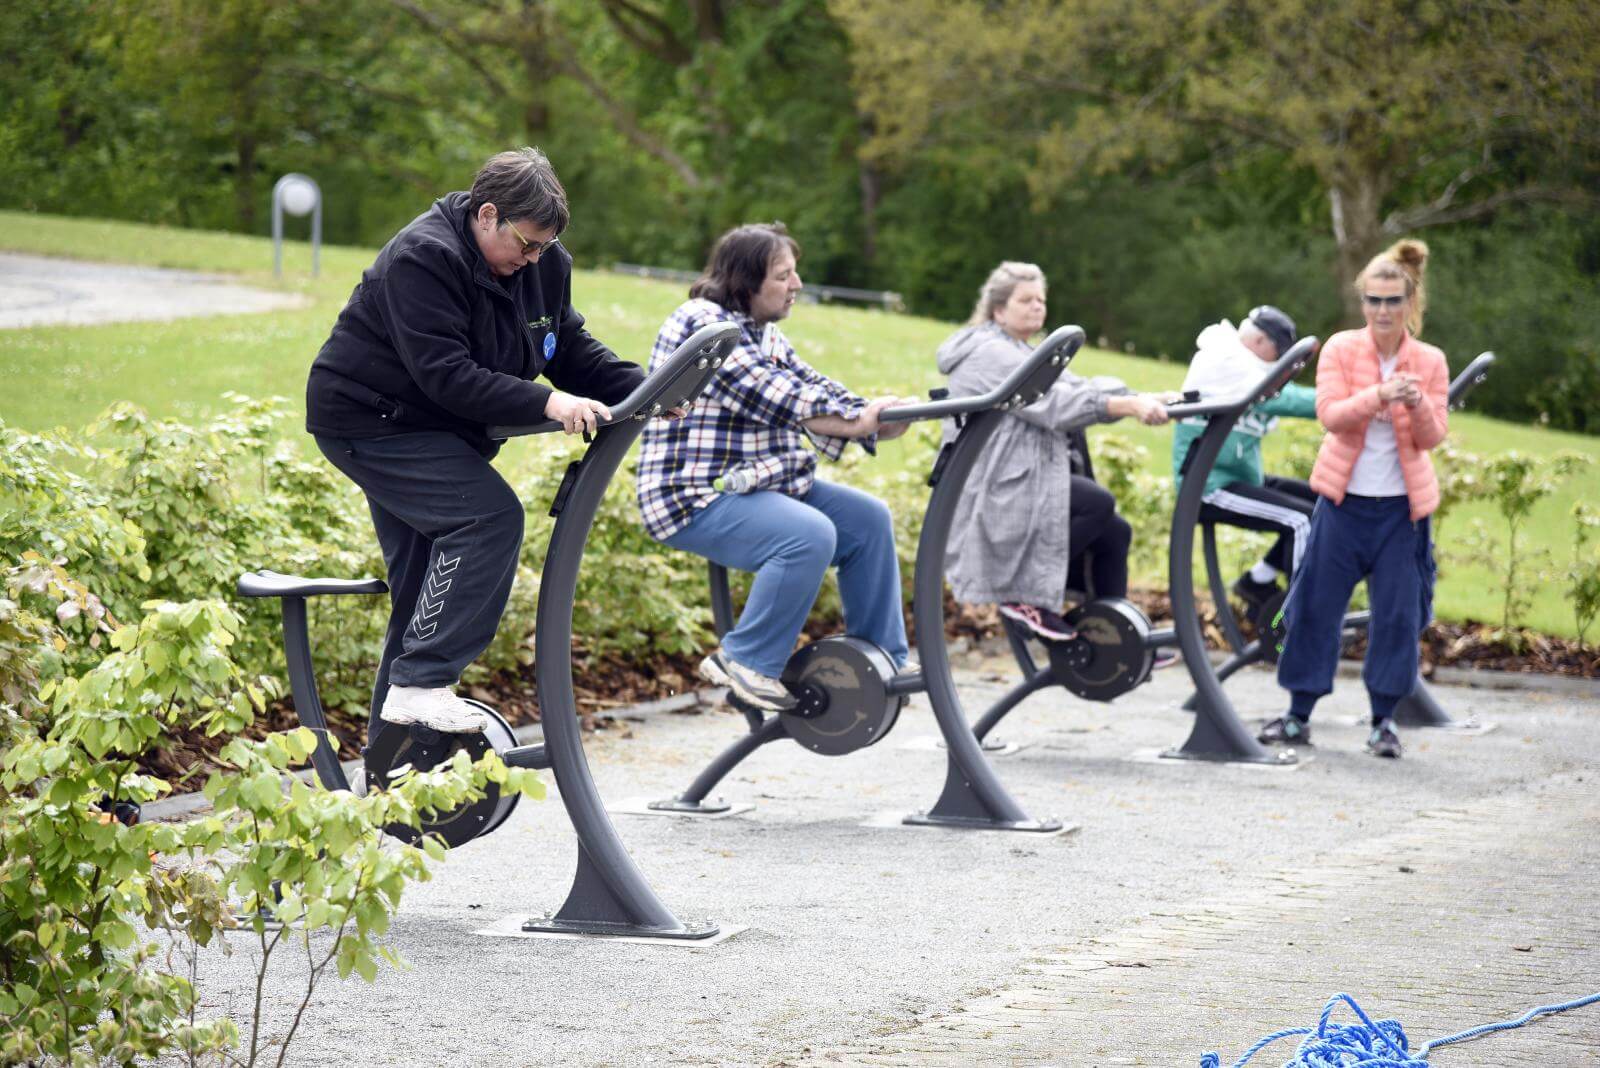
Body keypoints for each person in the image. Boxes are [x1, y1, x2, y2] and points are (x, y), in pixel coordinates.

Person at [306, 148, 646, 733]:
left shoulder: (541, 263)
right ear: (486, 215)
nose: (535, 258)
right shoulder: (423, 258)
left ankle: (391, 775)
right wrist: (548, 401)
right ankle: (420, 683)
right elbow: (447, 374)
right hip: (370, 422)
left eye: (544, 247)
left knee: (422, 598)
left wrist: (644, 389)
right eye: (527, 244)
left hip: (432, 425)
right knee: (486, 519)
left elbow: (561, 342)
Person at [635, 223, 915, 712]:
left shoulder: (765, 334)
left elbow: (813, 385)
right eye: (784, 275)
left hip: (758, 486)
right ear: (745, 281)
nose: (797, 285)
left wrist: (875, 414)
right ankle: (745, 660)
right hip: (693, 495)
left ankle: (880, 660)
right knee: (806, 536)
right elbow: (775, 396)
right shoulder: (704, 324)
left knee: (869, 521)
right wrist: (855, 421)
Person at [1259, 239, 1449, 759]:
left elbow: (1434, 437)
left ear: (1410, 303)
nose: (1383, 311)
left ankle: (1384, 721)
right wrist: (1378, 396)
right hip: (1342, 506)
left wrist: (1414, 406)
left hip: (1400, 515)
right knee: (1316, 609)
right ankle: (1297, 716)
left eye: (1393, 301)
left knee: (1397, 617)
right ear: (1363, 302)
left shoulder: (1429, 360)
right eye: (1374, 300)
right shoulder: (1342, 349)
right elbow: (1331, 416)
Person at [937, 261, 1180, 647]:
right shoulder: (989, 354)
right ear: (999, 310)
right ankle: (1020, 595)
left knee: (1115, 532)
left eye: (1041, 300)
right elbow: (1056, 405)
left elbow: (1079, 386)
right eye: (1026, 300)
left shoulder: (1022, 350)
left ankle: (1113, 636)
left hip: (1026, 476)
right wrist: (1130, 406)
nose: (1037, 307)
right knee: (1095, 503)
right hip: (997, 485)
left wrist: (1142, 397)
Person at [1171, 306, 1317, 621]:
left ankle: (1257, 581)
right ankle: (1301, 623)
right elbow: (1278, 397)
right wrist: (1351, 402)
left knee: (1324, 504)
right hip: (1207, 485)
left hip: (1240, 479)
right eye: (1277, 354)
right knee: (1300, 522)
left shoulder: (1247, 365)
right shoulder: (1224, 358)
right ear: (1262, 341)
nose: (1277, 364)